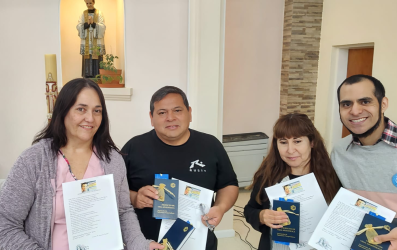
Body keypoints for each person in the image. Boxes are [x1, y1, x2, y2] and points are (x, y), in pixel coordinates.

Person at [0, 78, 163, 250]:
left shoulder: (112, 159)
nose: (90, 118)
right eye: (81, 109)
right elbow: (5, 224)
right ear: (63, 111)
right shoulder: (33, 160)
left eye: (97, 111)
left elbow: (123, 212)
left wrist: (141, 244)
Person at [121, 86, 239, 250]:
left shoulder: (210, 145)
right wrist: (135, 198)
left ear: (189, 113)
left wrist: (220, 207)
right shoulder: (134, 148)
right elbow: (113, 192)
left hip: (198, 243)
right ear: (151, 117)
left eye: (177, 110)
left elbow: (228, 184)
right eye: (162, 113)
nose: (170, 118)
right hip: (147, 244)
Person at [244, 113, 341, 250]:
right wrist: (261, 216)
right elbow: (250, 210)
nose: (290, 150)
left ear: (312, 142)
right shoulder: (268, 176)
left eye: (297, 141)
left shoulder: (331, 176)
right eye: (283, 142)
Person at [331, 74, 397, 248]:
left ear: (383, 104)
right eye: (346, 104)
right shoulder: (339, 151)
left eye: (365, 101)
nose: (355, 111)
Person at [77, 0, 106, 78]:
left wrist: (93, 23)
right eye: (87, 3)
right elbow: (79, 25)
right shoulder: (83, 14)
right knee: (87, 57)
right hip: (87, 40)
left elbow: (103, 26)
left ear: (93, 3)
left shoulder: (99, 13)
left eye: (90, 3)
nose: (89, 5)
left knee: (96, 57)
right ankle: (87, 76)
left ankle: (97, 76)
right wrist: (86, 24)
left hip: (96, 40)